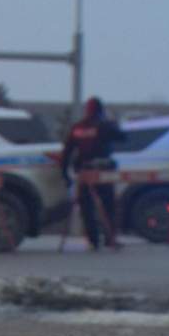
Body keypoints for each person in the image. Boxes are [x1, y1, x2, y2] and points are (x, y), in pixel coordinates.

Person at [61, 97, 126, 250]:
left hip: (84, 171)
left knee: (86, 207)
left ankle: (93, 240)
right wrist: (113, 122)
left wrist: (65, 174)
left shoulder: (77, 127)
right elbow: (123, 137)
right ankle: (110, 238)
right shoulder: (104, 126)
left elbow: (67, 152)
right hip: (102, 171)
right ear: (100, 110)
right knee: (108, 205)